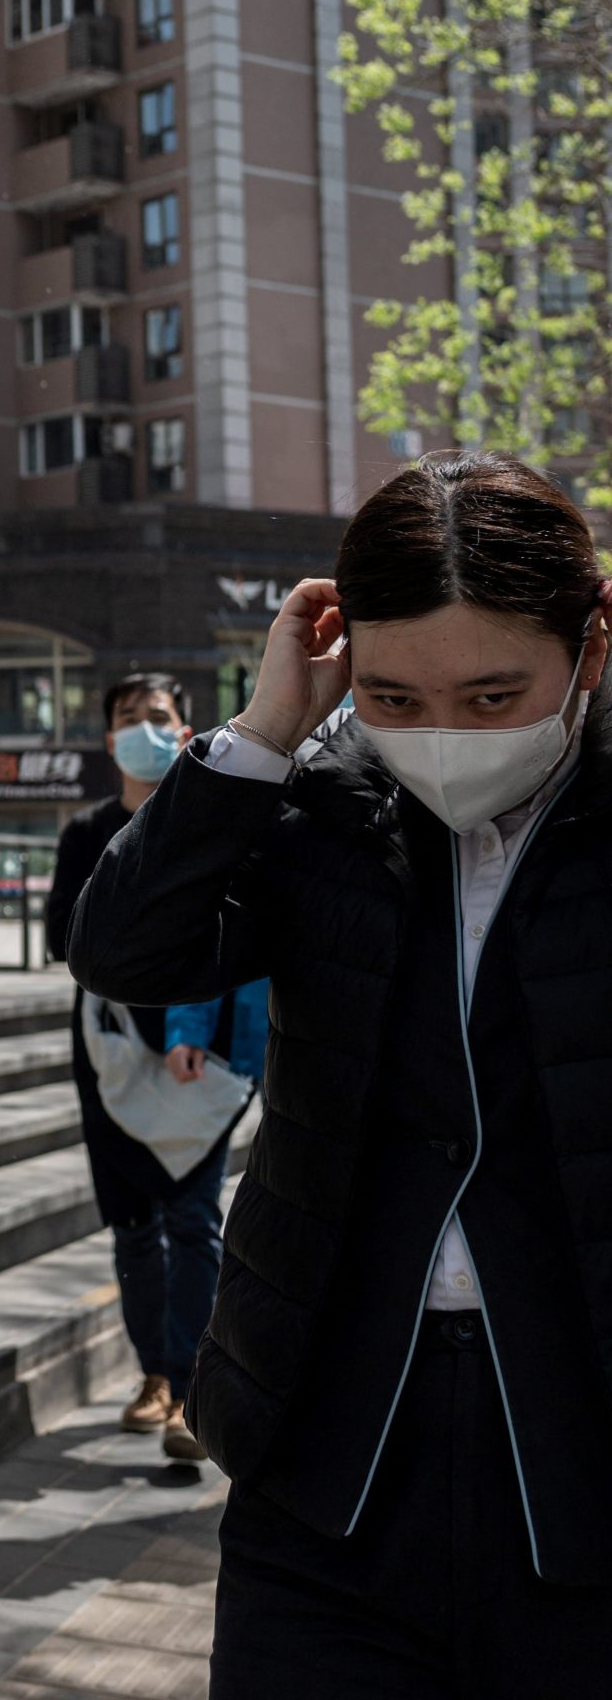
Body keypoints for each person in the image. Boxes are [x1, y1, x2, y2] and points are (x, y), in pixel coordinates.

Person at [71, 452, 612, 1694]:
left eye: (491, 697)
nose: (442, 739)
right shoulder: (321, 803)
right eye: (394, 694)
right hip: (335, 1446)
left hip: (581, 1438)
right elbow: (123, 949)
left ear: (587, 650)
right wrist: (264, 732)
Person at [43, 672, 258, 1460]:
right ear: (108, 739)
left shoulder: (214, 820)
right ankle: (155, 1375)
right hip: (110, 1057)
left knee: (194, 1218)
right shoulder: (85, 832)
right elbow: (64, 936)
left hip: (202, 1057)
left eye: (158, 716)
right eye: (127, 716)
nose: (143, 728)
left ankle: (191, 1379)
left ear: (185, 727)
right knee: (134, 1224)